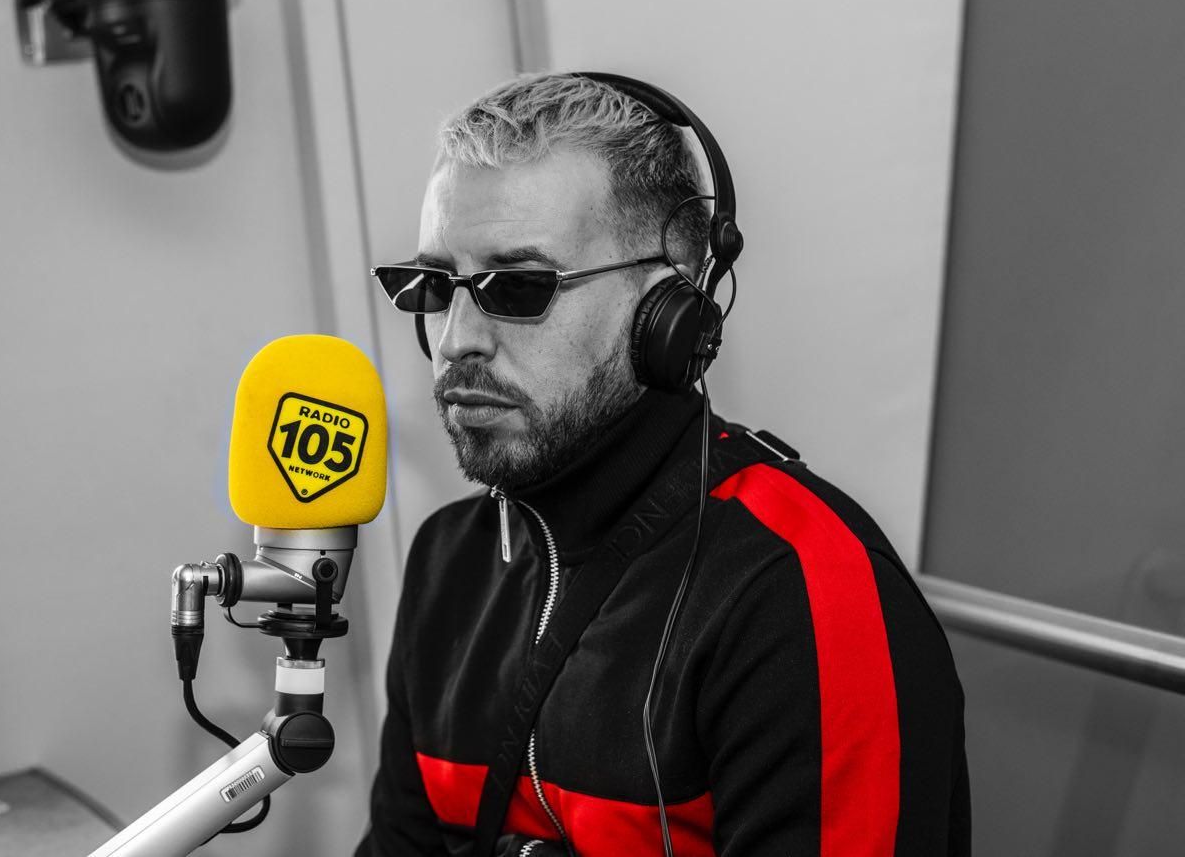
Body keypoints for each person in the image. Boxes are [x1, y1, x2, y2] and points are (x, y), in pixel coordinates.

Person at [356, 73, 970, 856]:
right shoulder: (449, 561)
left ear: (667, 310)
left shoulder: (802, 591)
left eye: (519, 286)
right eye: (437, 287)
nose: (456, 340)